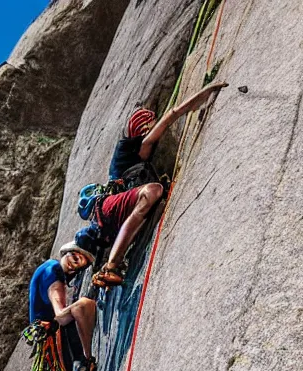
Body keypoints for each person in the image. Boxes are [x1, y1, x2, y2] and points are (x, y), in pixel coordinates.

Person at [86, 81, 229, 287]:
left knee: (147, 204)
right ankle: (110, 267)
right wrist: (206, 92)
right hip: (107, 207)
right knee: (152, 191)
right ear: (144, 128)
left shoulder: (128, 153)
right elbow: (171, 116)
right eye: (150, 125)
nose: (154, 129)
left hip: (111, 214)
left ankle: (113, 264)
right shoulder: (135, 146)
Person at [29, 231, 98, 371]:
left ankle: (79, 362)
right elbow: (60, 315)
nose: (74, 266)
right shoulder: (53, 271)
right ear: (67, 252)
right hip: (52, 336)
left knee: (77, 307)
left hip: (47, 335)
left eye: (78, 265)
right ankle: (83, 360)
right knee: (83, 305)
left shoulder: (49, 266)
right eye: (74, 257)